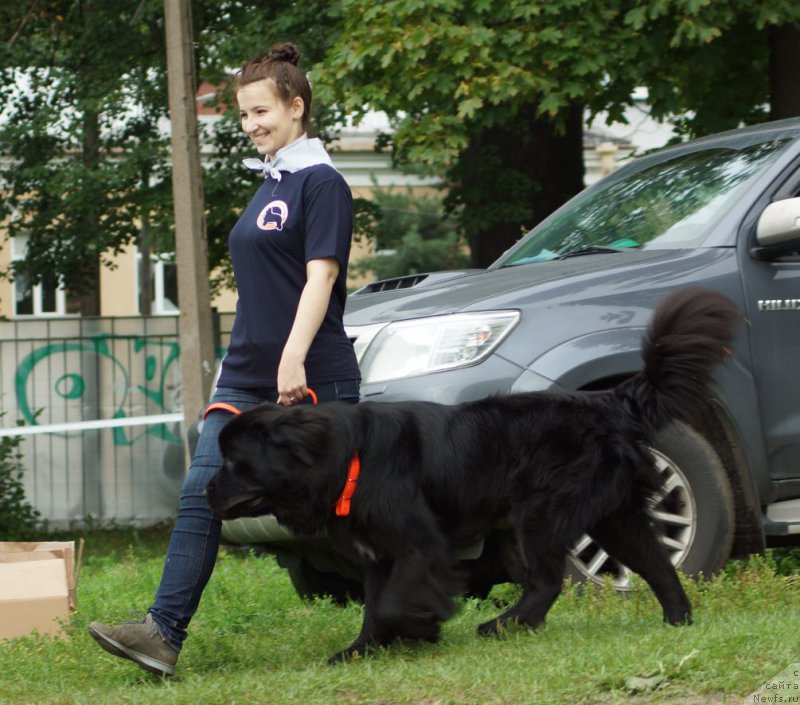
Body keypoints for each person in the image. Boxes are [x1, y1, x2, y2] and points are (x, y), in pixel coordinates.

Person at [87, 42, 361, 677]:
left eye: (261, 111)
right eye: (243, 115)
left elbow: (321, 279)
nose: (251, 125)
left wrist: (291, 360)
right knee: (200, 490)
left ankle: (415, 602)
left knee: (348, 506)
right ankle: (162, 634)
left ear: (297, 107)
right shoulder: (274, 183)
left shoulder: (322, 183)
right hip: (243, 373)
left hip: (309, 372)